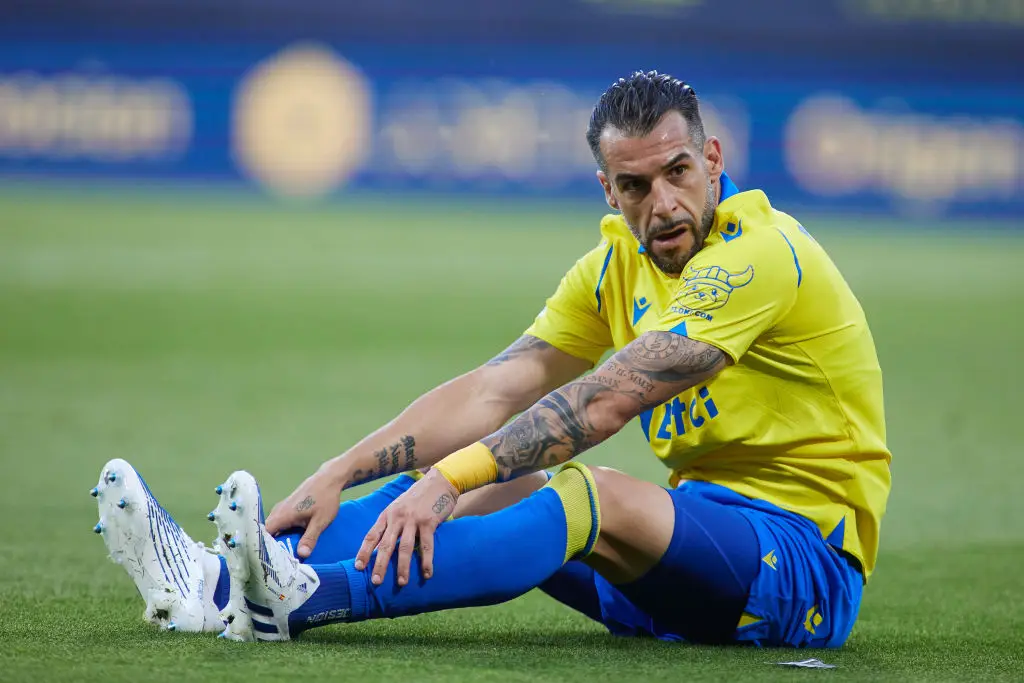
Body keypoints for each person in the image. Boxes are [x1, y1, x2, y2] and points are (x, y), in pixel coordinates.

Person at [91, 70, 891, 647]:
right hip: (687, 560)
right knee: (498, 475)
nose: (664, 203)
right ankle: (216, 587)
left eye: (679, 172)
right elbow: (494, 388)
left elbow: (604, 403)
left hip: (800, 570)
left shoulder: (757, 256)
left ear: (713, 159)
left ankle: (301, 603)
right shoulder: (615, 264)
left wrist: (449, 481)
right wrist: (343, 468)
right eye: (636, 185)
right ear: (608, 191)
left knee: (586, 495)